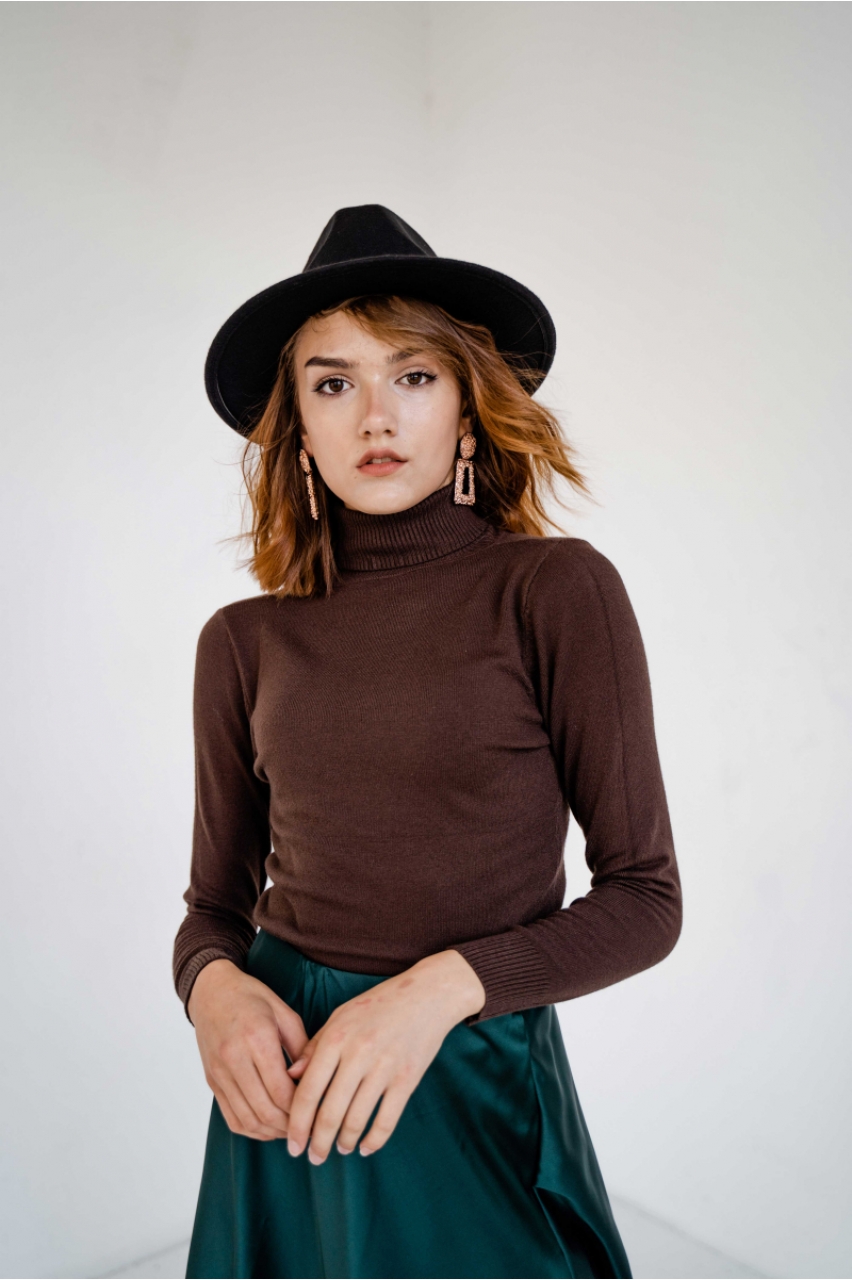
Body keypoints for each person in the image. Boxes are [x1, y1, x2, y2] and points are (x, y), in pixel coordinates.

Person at [173, 204, 683, 1280]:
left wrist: (436, 990)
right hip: (288, 1078)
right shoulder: (243, 641)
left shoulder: (554, 590)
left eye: (411, 375)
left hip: (467, 1053)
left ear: (467, 409)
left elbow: (646, 899)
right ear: (297, 429)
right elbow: (213, 908)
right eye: (332, 383)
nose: (375, 415)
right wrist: (212, 990)